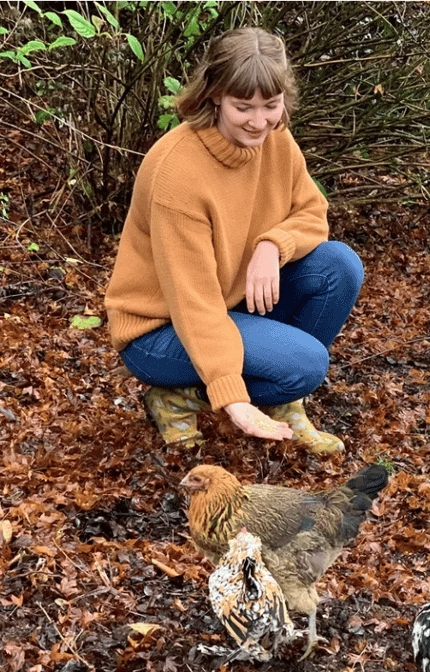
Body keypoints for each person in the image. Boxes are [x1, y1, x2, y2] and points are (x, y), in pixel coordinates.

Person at [104, 27, 361, 452]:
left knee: (339, 266)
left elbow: (313, 213)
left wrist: (271, 245)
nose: (259, 122)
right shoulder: (177, 173)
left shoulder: (276, 140)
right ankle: (177, 394)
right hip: (160, 332)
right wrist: (232, 397)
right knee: (306, 365)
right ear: (215, 96)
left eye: (271, 106)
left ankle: (280, 400)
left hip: (230, 304)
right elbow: (194, 303)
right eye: (244, 107)